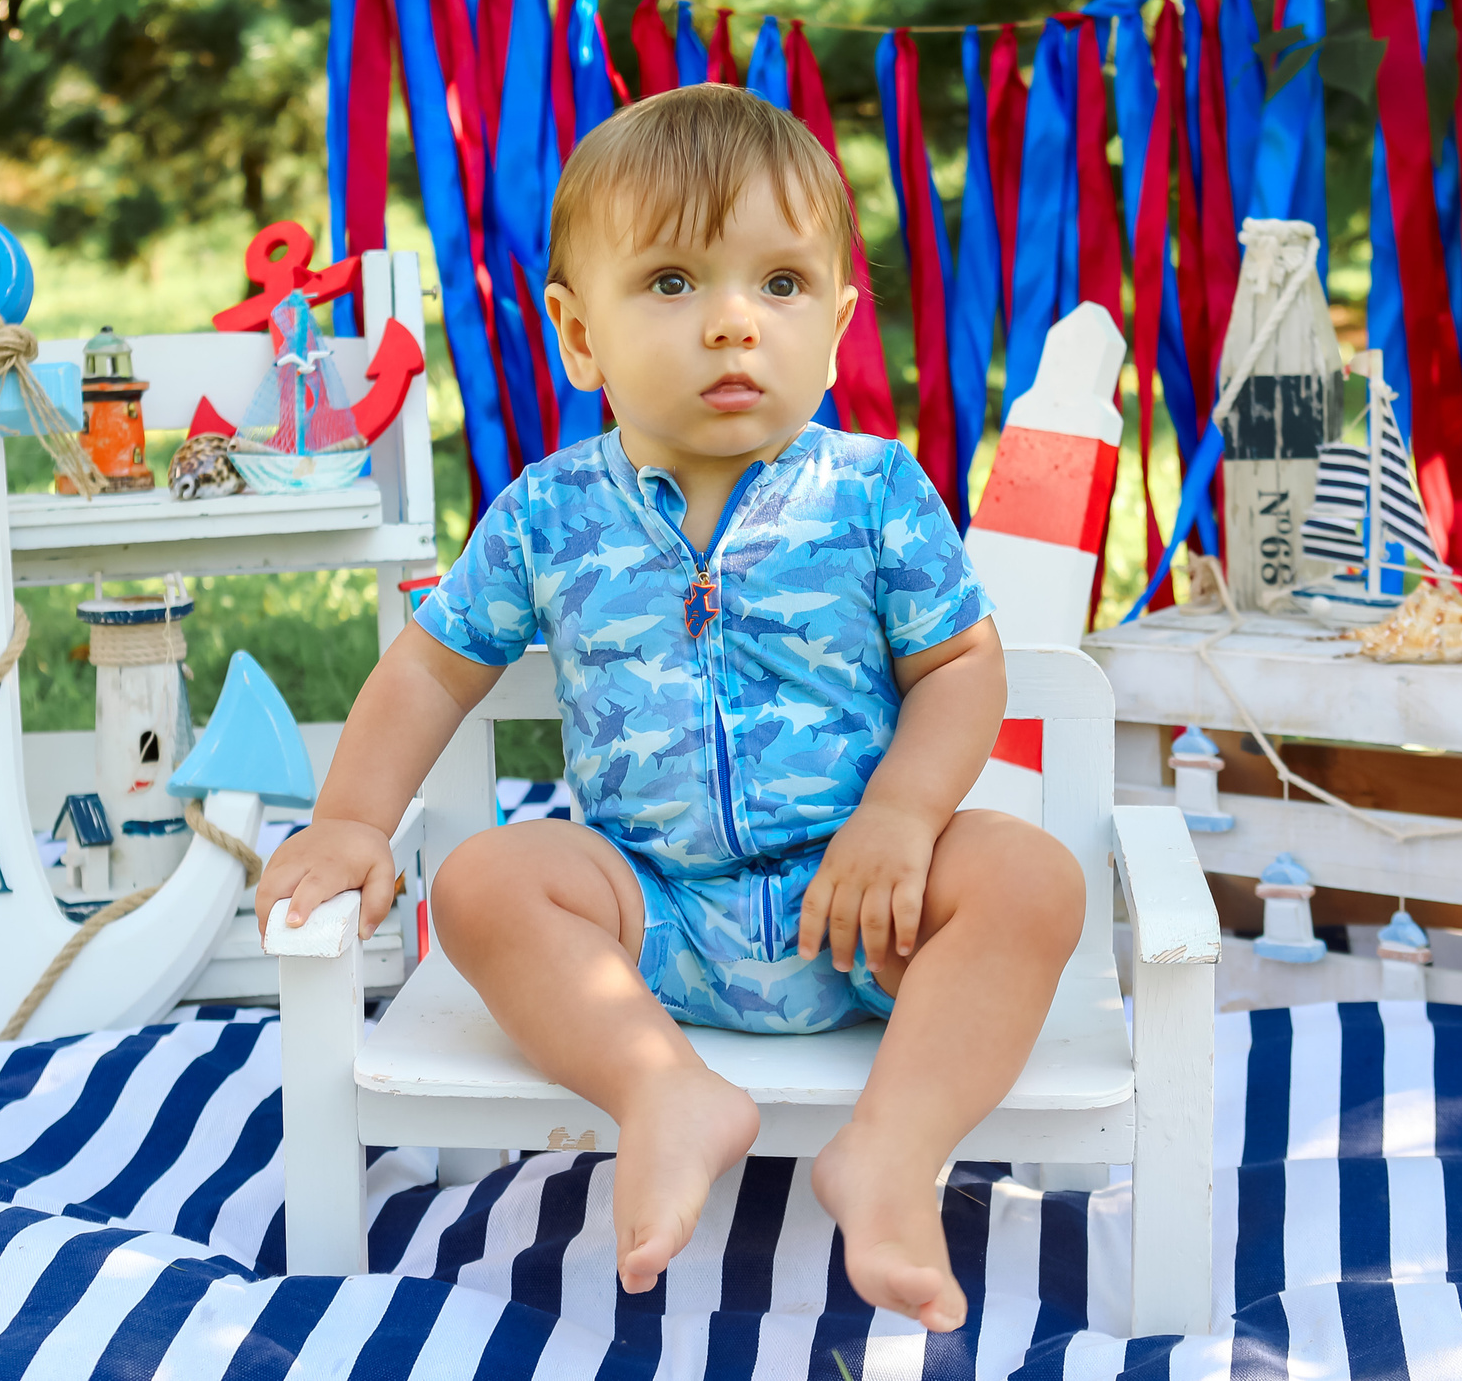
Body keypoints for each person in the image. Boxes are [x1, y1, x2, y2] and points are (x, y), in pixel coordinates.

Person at [256, 83, 1085, 1332]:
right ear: (579, 336)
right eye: (672, 284)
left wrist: (904, 818)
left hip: (864, 910)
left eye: (782, 287)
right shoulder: (549, 514)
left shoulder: (871, 492)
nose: (733, 327)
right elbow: (431, 667)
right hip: (650, 920)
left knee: (1032, 879)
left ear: (840, 322)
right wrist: (351, 820)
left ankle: (892, 1151)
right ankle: (662, 1090)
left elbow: (961, 668)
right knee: (482, 883)